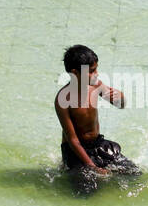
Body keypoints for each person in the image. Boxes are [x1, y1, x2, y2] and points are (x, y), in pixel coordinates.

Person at [54, 45, 140, 194]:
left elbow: (121, 105)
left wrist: (121, 97)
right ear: (75, 73)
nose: (97, 74)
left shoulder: (95, 86)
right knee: (87, 191)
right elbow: (72, 140)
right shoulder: (63, 99)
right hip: (75, 149)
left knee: (133, 174)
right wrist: (92, 167)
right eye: (92, 71)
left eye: (96, 69)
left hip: (97, 143)